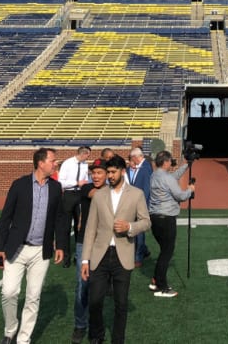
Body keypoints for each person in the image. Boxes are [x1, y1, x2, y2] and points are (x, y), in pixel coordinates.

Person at [0, 147, 66, 344]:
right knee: (9, 292)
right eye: (53, 160)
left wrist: (61, 245)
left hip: (41, 251)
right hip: (16, 248)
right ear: (41, 163)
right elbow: (5, 217)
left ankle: (23, 339)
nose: (55, 163)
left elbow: (60, 218)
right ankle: (10, 330)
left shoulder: (56, 188)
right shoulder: (19, 185)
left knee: (33, 297)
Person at [81, 154, 151, 344]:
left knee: (121, 303)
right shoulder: (99, 195)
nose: (109, 176)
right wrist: (85, 260)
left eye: (113, 172)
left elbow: (146, 222)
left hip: (123, 255)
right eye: (108, 172)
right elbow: (90, 229)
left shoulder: (136, 194)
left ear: (122, 171)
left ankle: (118, 339)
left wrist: (129, 227)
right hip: (100, 255)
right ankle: (97, 336)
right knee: (95, 301)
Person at [71, 158, 108, 344]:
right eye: (93, 172)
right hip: (84, 243)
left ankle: (96, 329)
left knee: (99, 289)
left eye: (100, 172)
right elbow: (97, 196)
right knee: (82, 286)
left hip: (104, 244)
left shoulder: (112, 190)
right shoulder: (87, 189)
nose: (96, 176)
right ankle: (79, 325)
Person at [148, 149, 195, 297]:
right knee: (167, 253)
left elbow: (172, 177)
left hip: (155, 217)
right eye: (170, 161)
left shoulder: (154, 175)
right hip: (166, 218)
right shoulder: (166, 178)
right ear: (166, 162)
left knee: (164, 251)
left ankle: (156, 280)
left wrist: (186, 165)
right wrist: (190, 190)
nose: (171, 163)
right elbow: (180, 196)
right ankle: (162, 287)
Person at [58, 145, 91, 266]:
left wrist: (85, 183)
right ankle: (66, 258)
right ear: (83, 153)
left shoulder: (85, 165)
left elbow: (85, 179)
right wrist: (76, 182)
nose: (88, 157)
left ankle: (78, 256)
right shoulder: (67, 163)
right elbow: (61, 182)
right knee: (66, 227)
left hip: (80, 195)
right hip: (68, 195)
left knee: (80, 226)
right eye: (88, 155)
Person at [128, 146, 153, 264]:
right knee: (136, 230)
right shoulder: (139, 167)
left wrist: (143, 205)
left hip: (140, 204)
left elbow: (146, 189)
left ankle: (138, 256)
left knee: (139, 231)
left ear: (135, 157)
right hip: (134, 203)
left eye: (132, 158)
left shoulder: (145, 167)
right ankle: (144, 251)